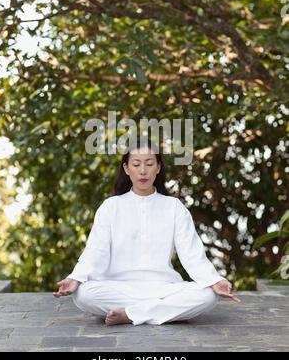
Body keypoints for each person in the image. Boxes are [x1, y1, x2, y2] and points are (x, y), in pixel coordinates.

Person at [53, 138, 241, 326]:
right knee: (83, 294)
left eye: (149, 164)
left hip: (164, 287)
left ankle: (130, 314)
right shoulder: (111, 206)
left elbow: (192, 255)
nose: (143, 171)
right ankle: (158, 311)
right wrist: (75, 277)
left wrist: (214, 280)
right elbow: (96, 251)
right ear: (127, 168)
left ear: (158, 167)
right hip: (119, 288)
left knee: (208, 295)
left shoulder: (173, 207)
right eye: (136, 164)